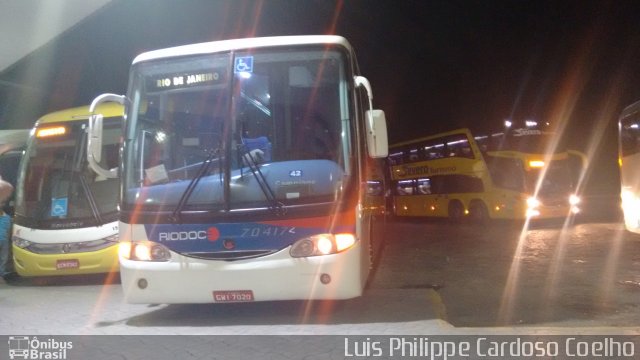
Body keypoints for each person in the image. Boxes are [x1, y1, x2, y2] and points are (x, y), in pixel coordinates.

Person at [0, 176, 14, 284]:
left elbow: (9, 230)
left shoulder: (7, 218)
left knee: (3, 259)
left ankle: (1, 274)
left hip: (4, 241)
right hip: (3, 240)